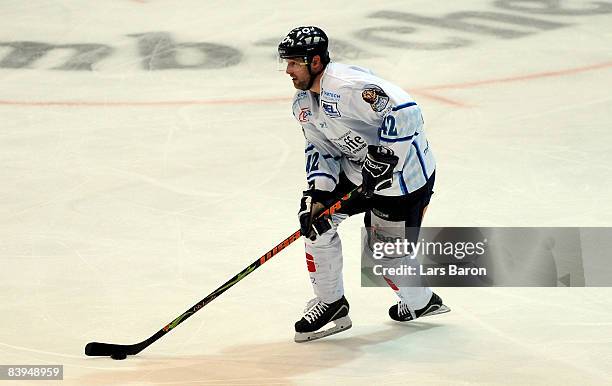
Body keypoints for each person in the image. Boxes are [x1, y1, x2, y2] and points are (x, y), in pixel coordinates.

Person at [278, 26, 450, 343]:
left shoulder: (347, 86)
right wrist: (318, 192)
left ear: (315, 61)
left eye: (293, 62)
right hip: (358, 171)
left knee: (385, 257)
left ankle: (422, 302)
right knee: (317, 224)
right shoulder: (302, 104)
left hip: (403, 179)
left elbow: (406, 112)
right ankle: (331, 303)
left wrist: (386, 156)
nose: (287, 70)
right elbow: (320, 148)